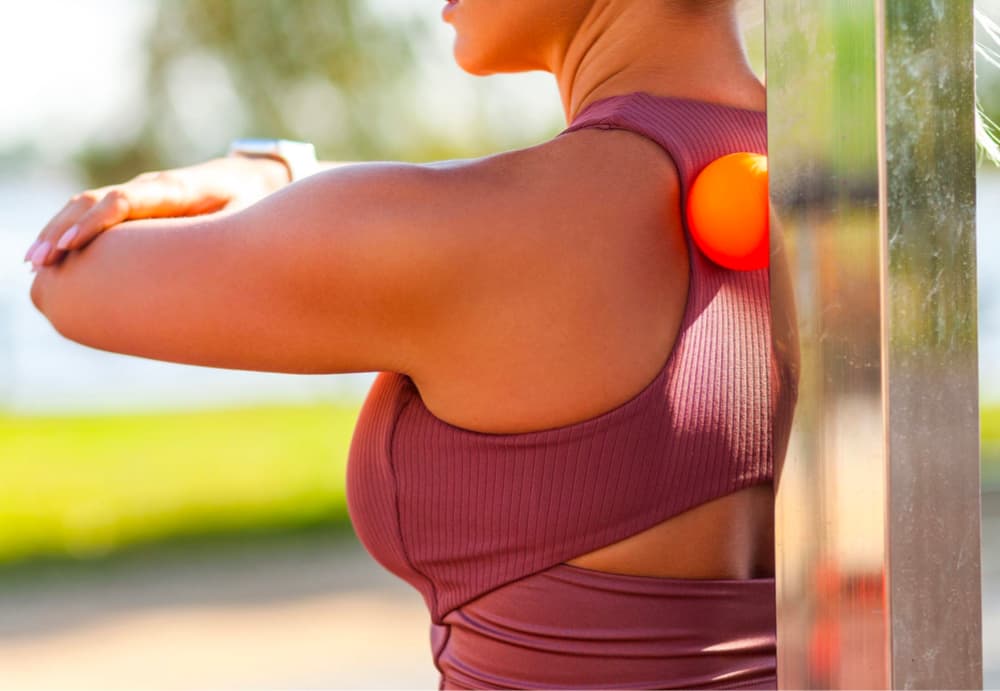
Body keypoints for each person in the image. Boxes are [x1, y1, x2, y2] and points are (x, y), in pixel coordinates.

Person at [26, 0, 797, 688]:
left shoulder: (481, 236)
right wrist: (300, 184)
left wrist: (273, 174)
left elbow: (69, 280)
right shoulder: (831, 183)